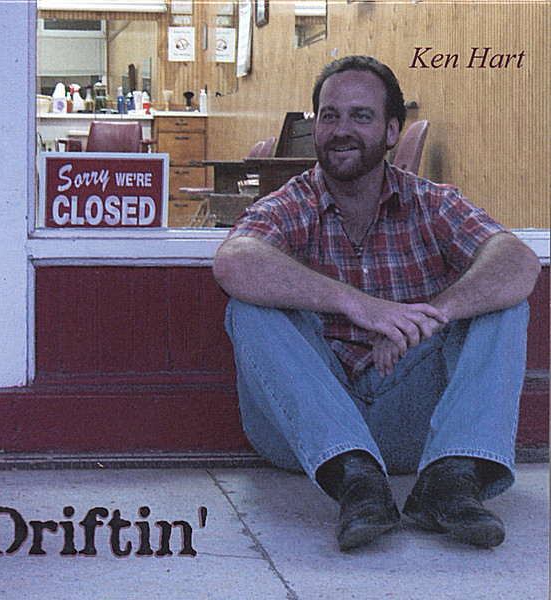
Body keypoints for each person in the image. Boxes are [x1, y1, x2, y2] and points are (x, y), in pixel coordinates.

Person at [212, 55, 541, 551]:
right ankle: (357, 481)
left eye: (360, 116)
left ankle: (451, 481)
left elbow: (518, 262)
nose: (341, 130)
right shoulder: (291, 204)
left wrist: (426, 319)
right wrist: (360, 305)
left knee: (503, 303)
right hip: (303, 436)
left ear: (391, 131)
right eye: (329, 116)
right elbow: (233, 261)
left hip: (410, 422)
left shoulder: (430, 202)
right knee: (248, 306)